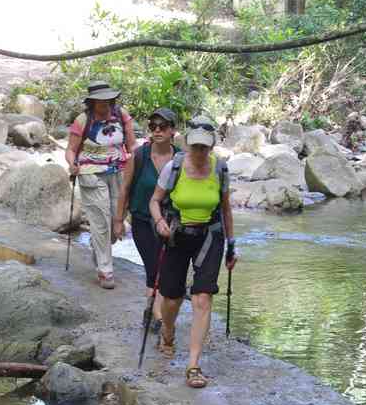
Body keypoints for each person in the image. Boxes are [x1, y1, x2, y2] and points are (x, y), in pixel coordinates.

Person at [149, 115, 238, 389]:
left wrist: (232, 246)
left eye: (204, 147)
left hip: (210, 237)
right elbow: (155, 201)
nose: (200, 152)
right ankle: (167, 332)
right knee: (172, 299)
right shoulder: (174, 167)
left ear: (211, 147)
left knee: (202, 298)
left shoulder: (220, 170)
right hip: (176, 236)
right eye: (195, 146)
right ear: (187, 145)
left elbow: (225, 210)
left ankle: (193, 365)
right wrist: (160, 222)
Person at [113, 107, 179, 330]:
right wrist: (118, 220)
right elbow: (125, 189)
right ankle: (156, 313)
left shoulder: (180, 158)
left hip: (170, 222)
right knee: (154, 267)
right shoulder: (139, 156)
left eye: (163, 127)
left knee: (166, 268)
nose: (157, 130)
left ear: (173, 131)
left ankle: (152, 310)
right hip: (142, 220)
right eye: (153, 127)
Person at [66, 81, 136, 289]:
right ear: (92, 102)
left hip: (119, 173)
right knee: (101, 221)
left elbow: (132, 146)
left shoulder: (122, 116)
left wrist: (138, 162)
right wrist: (72, 163)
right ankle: (105, 271)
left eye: (108, 100)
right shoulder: (83, 120)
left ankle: (98, 247)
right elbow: (71, 149)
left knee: (117, 222)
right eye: (100, 101)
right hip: (90, 173)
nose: (105, 105)